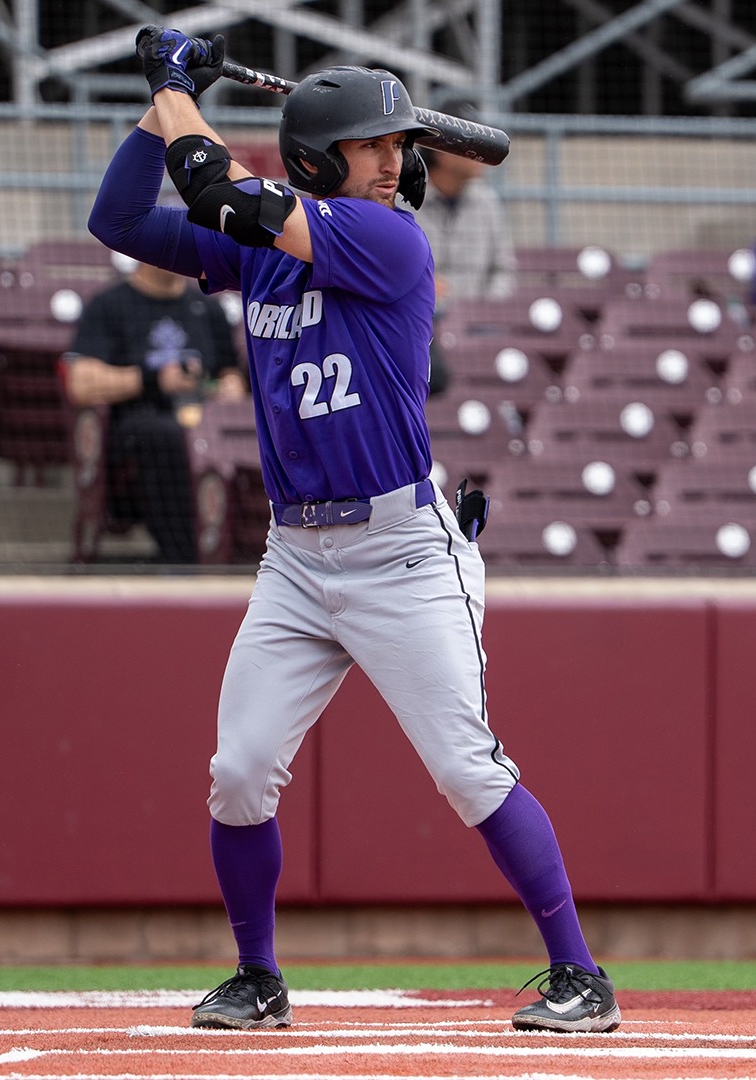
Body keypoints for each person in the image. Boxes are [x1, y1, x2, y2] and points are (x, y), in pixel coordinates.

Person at [89, 27, 620, 1035]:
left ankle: (579, 974)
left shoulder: (388, 239)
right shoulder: (265, 258)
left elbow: (213, 190)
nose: (396, 162)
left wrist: (175, 88)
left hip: (401, 552)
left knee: (467, 766)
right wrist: (159, 106)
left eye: (397, 146)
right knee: (240, 771)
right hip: (295, 556)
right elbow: (117, 216)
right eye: (376, 146)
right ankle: (257, 977)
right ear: (319, 156)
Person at [62, 259, 244, 564]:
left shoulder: (209, 309)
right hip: (134, 429)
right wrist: (154, 379)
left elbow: (231, 375)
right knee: (165, 435)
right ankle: (183, 560)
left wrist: (227, 388)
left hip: (203, 425)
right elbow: (79, 383)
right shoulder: (109, 304)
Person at [415, 148, 517, 305]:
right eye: (472, 149)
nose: (482, 157)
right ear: (442, 153)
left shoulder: (488, 201)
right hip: (421, 318)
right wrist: (421, 289)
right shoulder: (405, 202)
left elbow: (503, 270)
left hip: (479, 322)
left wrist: (487, 310)